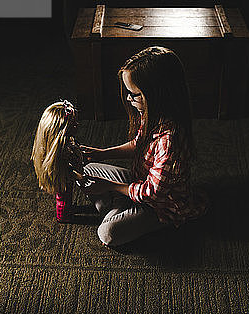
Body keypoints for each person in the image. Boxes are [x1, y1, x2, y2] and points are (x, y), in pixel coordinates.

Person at [78, 46, 207, 246]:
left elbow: (152, 193)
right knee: (87, 169)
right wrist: (102, 154)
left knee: (108, 233)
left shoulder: (170, 140)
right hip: (139, 181)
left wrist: (110, 186)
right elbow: (139, 144)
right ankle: (121, 205)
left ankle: (121, 209)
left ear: (157, 94)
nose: (129, 99)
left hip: (161, 205)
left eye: (134, 94)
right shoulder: (150, 113)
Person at [31, 99, 85, 223]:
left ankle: (68, 209)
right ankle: (63, 216)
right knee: (63, 198)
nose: (77, 125)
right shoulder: (59, 152)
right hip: (63, 176)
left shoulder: (57, 145)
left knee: (66, 196)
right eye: (73, 124)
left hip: (65, 176)